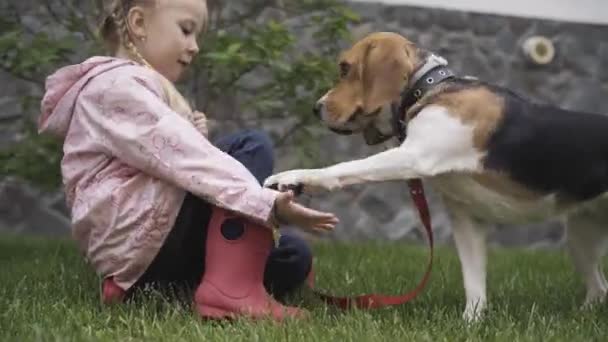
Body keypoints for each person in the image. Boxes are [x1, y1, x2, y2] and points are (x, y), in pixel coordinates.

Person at [37, 0, 338, 321]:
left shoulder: (137, 90)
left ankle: (185, 290)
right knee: (251, 147)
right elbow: (192, 163)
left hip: (153, 255)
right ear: (138, 24)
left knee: (293, 255)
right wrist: (267, 204)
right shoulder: (115, 86)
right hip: (142, 241)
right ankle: (230, 290)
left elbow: (173, 161)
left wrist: (192, 133)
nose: (194, 47)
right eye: (186, 30)